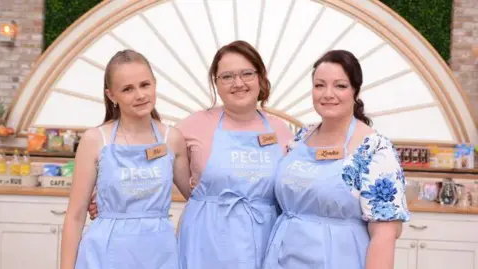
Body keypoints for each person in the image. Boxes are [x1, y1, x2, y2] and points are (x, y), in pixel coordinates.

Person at [262, 50, 410, 269]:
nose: (327, 94)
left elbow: (385, 234)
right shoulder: (302, 137)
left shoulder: (375, 149)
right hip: (283, 257)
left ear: (355, 91)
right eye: (319, 85)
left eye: (340, 86)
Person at [60, 49, 191, 269]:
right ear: (111, 95)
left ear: (155, 84)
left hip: (160, 254)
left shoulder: (172, 139)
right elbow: (75, 214)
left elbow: (198, 199)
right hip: (104, 254)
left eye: (145, 85)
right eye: (128, 89)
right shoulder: (95, 139)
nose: (140, 95)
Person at [176, 40, 293, 269]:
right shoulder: (192, 125)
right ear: (216, 83)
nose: (238, 83)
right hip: (205, 241)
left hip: (264, 239)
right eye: (227, 76)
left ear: (260, 77)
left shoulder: (281, 131)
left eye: (247, 73)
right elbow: (151, 158)